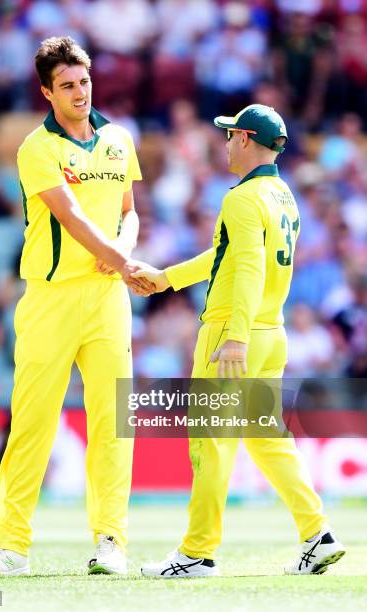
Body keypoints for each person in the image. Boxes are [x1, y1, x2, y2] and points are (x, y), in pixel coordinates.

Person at [133, 104, 346, 577]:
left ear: (247, 139)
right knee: (268, 438)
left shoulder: (241, 199)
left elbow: (246, 268)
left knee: (211, 443)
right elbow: (227, 254)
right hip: (272, 333)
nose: (226, 142)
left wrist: (233, 338)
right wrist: (166, 279)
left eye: (231, 135)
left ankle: (197, 554)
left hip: (235, 333)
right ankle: (317, 532)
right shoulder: (281, 195)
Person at [0, 36, 151, 577]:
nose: (80, 92)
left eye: (85, 81)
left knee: (112, 424)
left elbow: (130, 212)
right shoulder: (37, 147)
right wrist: (120, 260)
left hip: (106, 300)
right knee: (31, 424)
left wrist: (123, 252)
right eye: (68, 85)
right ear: (47, 91)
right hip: (50, 299)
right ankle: (12, 547)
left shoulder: (119, 139)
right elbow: (71, 216)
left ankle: (111, 542)